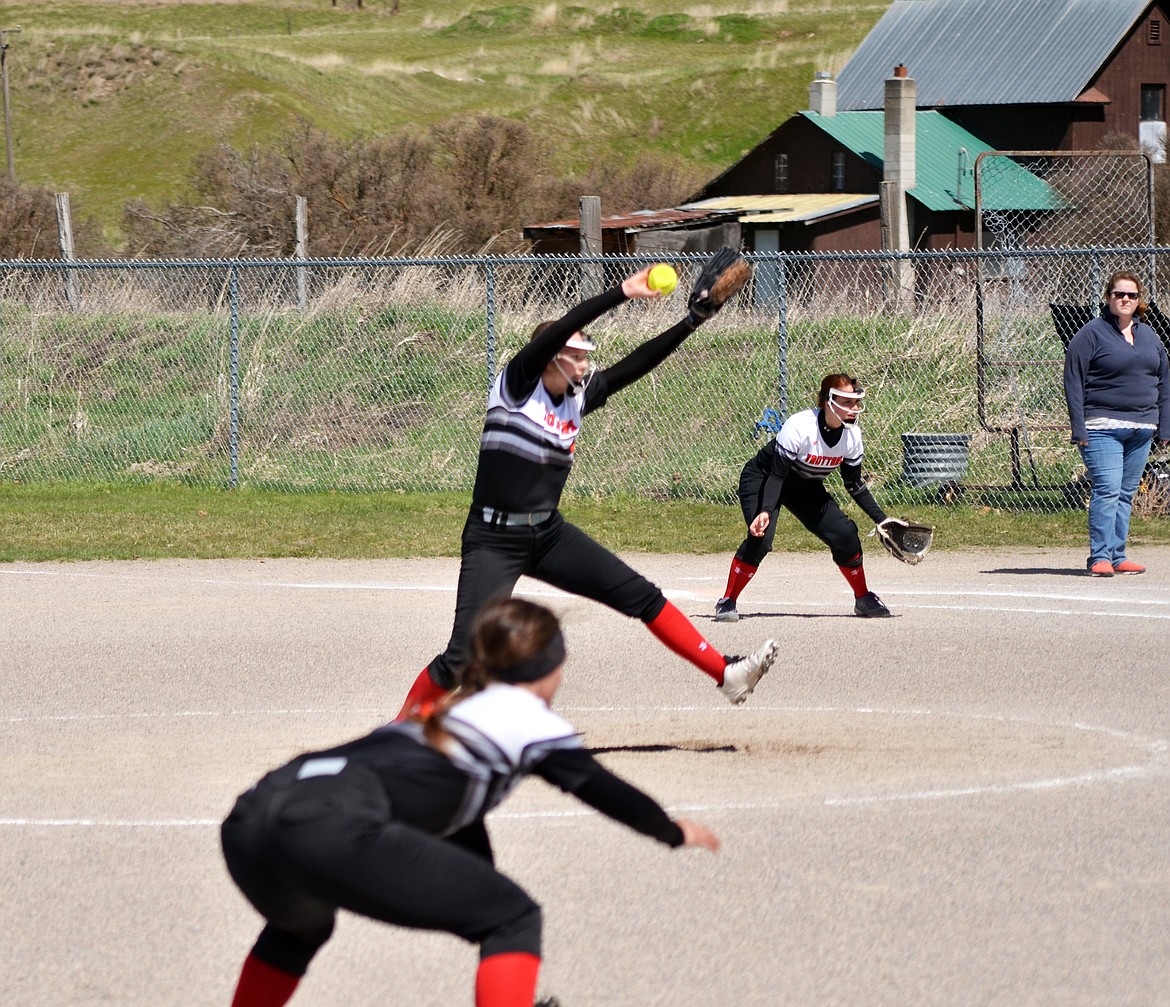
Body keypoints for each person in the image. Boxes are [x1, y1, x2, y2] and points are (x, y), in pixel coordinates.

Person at [222, 597, 720, 1007]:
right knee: (513, 918)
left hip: (250, 819)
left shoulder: (443, 714)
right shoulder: (526, 719)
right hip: (326, 827)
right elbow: (603, 789)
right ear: (551, 669)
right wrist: (672, 831)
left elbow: (456, 823)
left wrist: (478, 895)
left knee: (298, 928)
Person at [396, 263, 777, 716]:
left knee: (643, 596)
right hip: (493, 540)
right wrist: (624, 291)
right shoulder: (517, 385)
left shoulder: (579, 393)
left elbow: (638, 363)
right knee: (461, 658)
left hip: (548, 535)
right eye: (575, 353)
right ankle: (399, 733)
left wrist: (691, 321)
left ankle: (725, 673)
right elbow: (560, 331)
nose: (585, 362)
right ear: (550, 356)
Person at [715, 373, 899, 621]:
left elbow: (853, 484)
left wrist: (881, 520)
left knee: (845, 534)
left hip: (804, 486)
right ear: (827, 401)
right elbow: (777, 477)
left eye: (855, 402)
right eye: (846, 402)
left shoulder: (852, 437)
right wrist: (765, 511)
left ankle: (864, 598)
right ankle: (728, 601)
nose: (854, 408)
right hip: (764, 477)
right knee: (761, 538)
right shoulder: (800, 426)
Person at [1063, 270, 1170, 576]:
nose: (1125, 299)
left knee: (1125, 493)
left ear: (1139, 301)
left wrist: (1165, 426)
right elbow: (1073, 381)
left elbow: (1163, 380)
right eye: (1119, 294)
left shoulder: (1149, 336)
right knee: (1107, 490)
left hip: (1142, 428)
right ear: (1108, 298)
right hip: (1102, 427)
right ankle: (1099, 557)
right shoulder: (1091, 334)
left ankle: (1118, 554)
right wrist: (1078, 427)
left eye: (1131, 295)